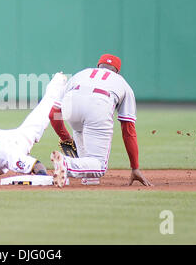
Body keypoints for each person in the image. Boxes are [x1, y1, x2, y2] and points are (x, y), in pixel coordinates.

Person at [48, 54, 153, 188]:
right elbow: (128, 129)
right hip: (99, 106)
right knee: (99, 165)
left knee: (80, 130)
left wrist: (65, 137)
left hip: (72, 106)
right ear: (117, 71)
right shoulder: (122, 83)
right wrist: (135, 167)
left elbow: (53, 114)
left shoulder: (81, 74)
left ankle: (88, 178)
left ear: (98, 66)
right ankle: (67, 164)